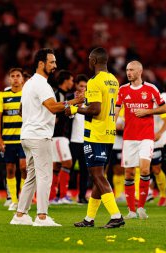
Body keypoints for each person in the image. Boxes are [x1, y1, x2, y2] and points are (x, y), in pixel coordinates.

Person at [10, 48, 83, 226]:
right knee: (45, 177)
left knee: (32, 176)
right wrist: (74, 101)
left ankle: (20, 215)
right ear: (41, 63)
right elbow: (52, 107)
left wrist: (34, 118)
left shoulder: (28, 84)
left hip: (27, 135)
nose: (55, 66)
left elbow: (21, 110)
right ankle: (42, 217)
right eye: (52, 62)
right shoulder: (42, 84)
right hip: (39, 136)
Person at [66, 47, 124, 228]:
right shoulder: (113, 80)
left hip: (96, 133)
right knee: (100, 176)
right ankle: (89, 219)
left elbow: (95, 109)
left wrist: (74, 109)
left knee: (97, 175)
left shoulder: (94, 81)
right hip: (109, 133)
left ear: (93, 60)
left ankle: (116, 216)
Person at [115, 60, 166, 219]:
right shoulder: (123, 90)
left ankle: (141, 208)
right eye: (127, 70)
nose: (128, 72)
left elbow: (163, 108)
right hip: (129, 138)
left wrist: (147, 112)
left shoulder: (151, 89)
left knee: (145, 169)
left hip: (146, 137)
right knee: (129, 173)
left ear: (140, 71)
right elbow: (116, 110)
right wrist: (111, 124)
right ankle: (131, 211)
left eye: (131, 70)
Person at [0, 68, 26, 211]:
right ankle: (13, 200)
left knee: (24, 168)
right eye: (12, 76)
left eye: (18, 76)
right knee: (10, 169)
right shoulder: (2, 95)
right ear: (9, 79)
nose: (15, 78)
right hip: (8, 139)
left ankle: (24, 200)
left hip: (24, 138)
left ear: (22, 78)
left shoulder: (27, 94)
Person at [50, 70, 75, 204]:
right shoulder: (58, 95)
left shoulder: (64, 95)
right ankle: (62, 196)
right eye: (71, 80)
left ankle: (52, 196)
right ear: (65, 81)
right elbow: (55, 112)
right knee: (67, 163)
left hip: (61, 135)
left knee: (57, 165)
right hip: (58, 135)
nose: (72, 82)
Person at [69, 74, 89, 204]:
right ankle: (61, 194)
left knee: (85, 171)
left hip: (86, 140)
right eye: (81, 86)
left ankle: (81, 196)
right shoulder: (70, 100)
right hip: (73, 140)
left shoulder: (92, 101)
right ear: (76, 86)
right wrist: (76, 103)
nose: (83, 89)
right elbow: (68, 116)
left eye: (85, 87)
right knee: (68, 169)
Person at [152, 111, 166, 206]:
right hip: (139, 139)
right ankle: (138, 196)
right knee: (138, 168)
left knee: (156, 169)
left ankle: (163, 195)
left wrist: (159, 133)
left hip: (155, 141)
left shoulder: (157, 102)